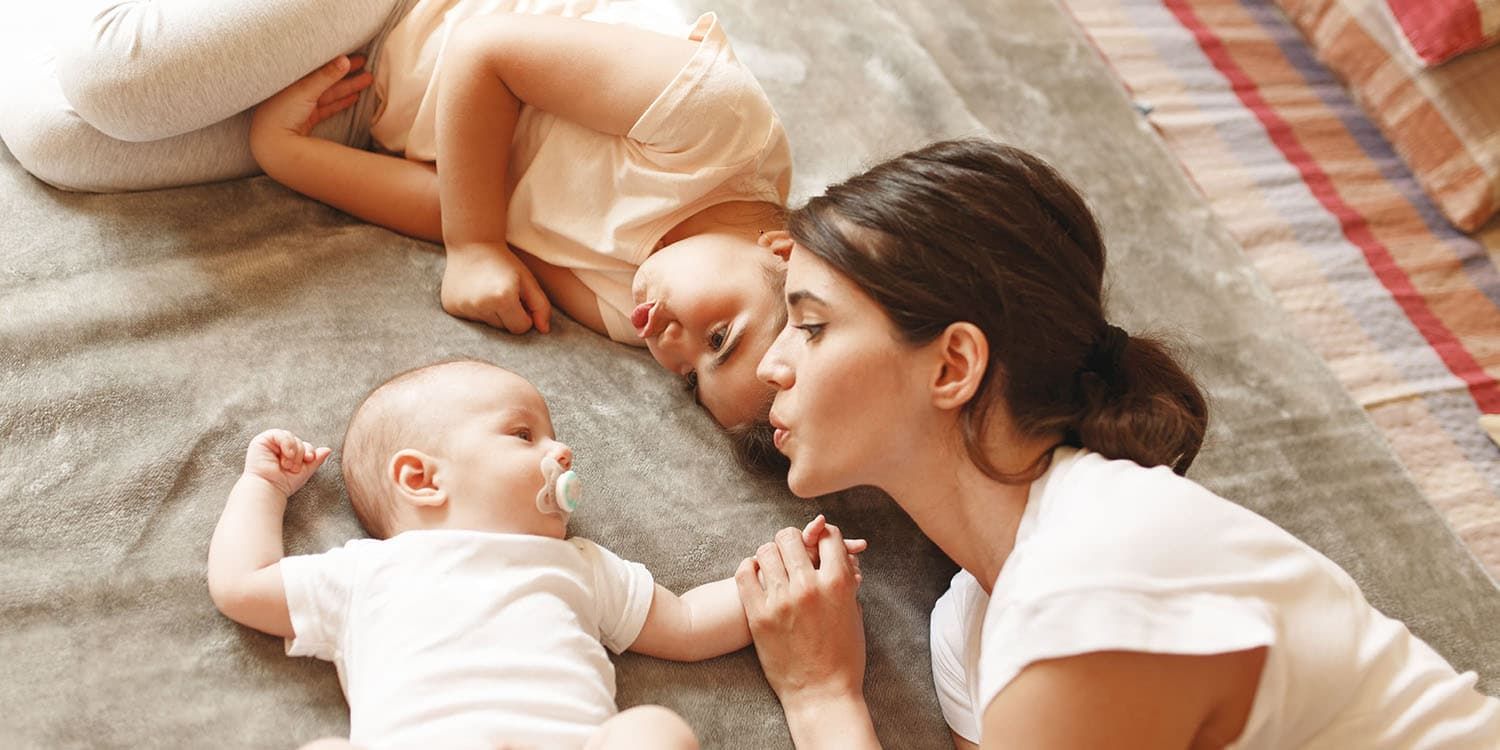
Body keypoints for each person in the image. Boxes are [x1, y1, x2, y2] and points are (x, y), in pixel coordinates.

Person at [733, 139, 1500, 749]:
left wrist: (821, 698)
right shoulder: (973, 627)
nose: (772, 365)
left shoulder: (1091, 582)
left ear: (954, 364)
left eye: (811, 326)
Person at [1, 1, 797, 435]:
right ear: (784, 254)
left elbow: (473, 205)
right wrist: (474, 245)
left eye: (694, 380)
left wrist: (285, 154)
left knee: (60, 142)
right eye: (719, 335)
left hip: (372, 95)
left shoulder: (635, 309)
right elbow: (488, 54)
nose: (672, 348)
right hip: (419, 14)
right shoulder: (715, 125)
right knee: (115, 81)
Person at [205, 359, 863, 749]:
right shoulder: (364, 572)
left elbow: (687, 623)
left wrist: (786, 573)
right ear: (422, 479)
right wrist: (263, 486)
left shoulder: (579, 564)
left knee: (654, 732)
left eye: (552, 434)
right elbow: (243, 583)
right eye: (524, 435)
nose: (561, 451)